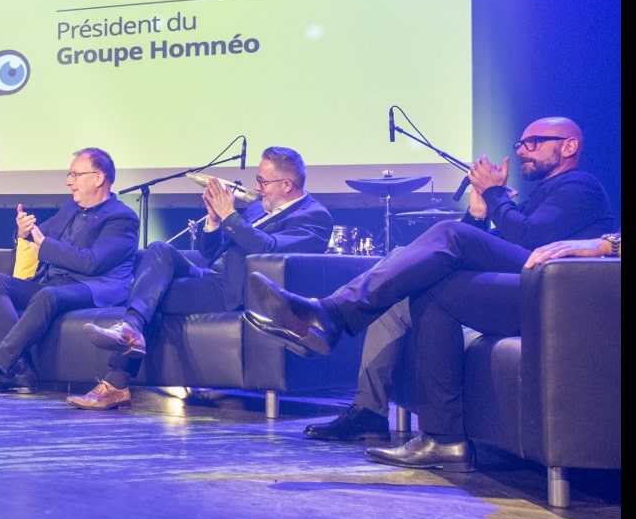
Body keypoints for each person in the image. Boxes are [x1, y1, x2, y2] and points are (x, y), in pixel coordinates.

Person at [247, 118, 616, 470]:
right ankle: (443, 439)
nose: (522, 150)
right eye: (521, 143)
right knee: (429, 282)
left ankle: (331, 315)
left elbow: (530, 239)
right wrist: (477, 213)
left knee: (448, 233)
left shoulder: (579, 187)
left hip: (555, 296)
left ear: (569, 146)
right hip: (527, 287)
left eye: (534, 143)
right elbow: (482, 248)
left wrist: (495, 194)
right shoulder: (542, 194)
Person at [71, 146, 332, 410]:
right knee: (159, 250)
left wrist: (230, 216)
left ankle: (116, 379)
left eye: (263, 181)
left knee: (148, 297)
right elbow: (210, 253)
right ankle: (131, 330)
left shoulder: (313, 217)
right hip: (211, 275)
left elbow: (269, 249)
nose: (257, 187)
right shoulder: (257, 209)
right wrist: (215, 221)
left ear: (287, 185)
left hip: (235, 291)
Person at [0, 148, 140, 399]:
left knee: (48, 295)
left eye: (75, 175)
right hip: (57, 284)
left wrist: (45, 244)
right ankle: (21, 370)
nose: (69, 182)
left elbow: (92, 262)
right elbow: (39, 234)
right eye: (69, 175)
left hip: (94, 286)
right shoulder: (70, 209)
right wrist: (23, 231)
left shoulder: (122, 218)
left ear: (98, 178)